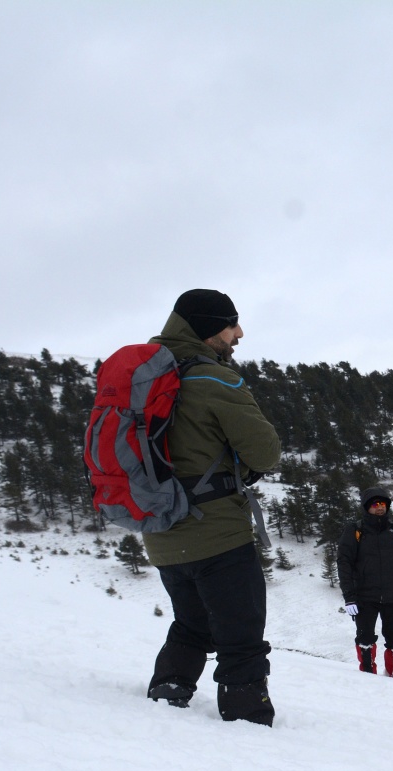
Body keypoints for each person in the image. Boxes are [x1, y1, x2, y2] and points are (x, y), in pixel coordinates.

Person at [144, 289, 281, 726]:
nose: (238, 333)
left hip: (161, 532)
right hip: (217, 532)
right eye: (230, 324)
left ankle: (168, 692)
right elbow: (265, 452)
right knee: (241, 635)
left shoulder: (144, 374)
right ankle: (248, 721)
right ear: (206, 328)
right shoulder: (214, 379)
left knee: (192, 622)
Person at [336, 486, 393, 678]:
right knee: (365, 639)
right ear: (367, 507)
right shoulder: (355, 530)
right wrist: (349, 597)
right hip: (364, 596)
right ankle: (368, 679)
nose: (380, 507)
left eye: (383, 503)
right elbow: (344, 563)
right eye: (376, 504)